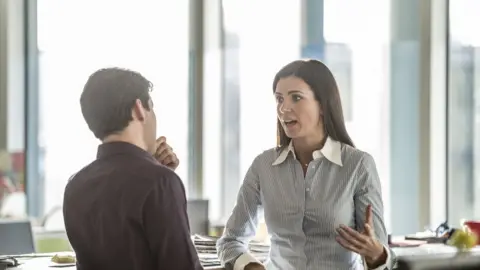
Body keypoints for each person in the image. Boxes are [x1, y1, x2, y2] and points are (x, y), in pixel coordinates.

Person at [216, 59, 395, 270]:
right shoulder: (263, 166)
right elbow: (230, 241)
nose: (283, 109)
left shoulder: (358, 165)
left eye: (296, 98)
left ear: (322, 105)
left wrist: (376, 255)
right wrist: (251, 267)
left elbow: (381, 255)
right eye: (279, 99)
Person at [63, 67, 203, 270]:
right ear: (139, 108)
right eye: (151, 107)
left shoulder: (75, 185)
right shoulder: (159, 182)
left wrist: (155, 169)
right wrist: (162, 179)